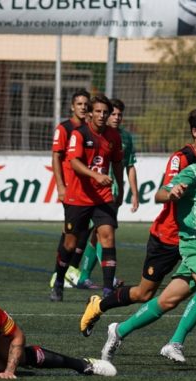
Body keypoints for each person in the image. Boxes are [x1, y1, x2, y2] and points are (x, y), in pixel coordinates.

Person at [99, 112, 196, 364]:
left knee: (168, 300)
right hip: (195, 241)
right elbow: (160, 194)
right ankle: (175, 342)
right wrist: (172, 194)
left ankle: (119, 330)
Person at [50, 94, 123, 302]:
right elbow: (74, 162)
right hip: (78, 197)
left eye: (105, 112)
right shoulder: (78, 134)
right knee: (70, 244)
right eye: (98, 111)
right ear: (90, 113)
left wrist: (121, 187)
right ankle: (58, 281)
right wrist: (96, 175)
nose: (102, 115)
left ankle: (108, 290)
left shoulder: (113, 136)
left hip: (103, 197)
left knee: (107, 236)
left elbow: (117, 162)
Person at [76, 98, 138, 292]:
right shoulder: (94, 134)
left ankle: (84, 276)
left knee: (101, 233)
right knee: (102, 233)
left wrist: (133, 192)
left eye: (119, 114)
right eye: (113, 114)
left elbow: (129, 166)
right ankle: (104, 278)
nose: (116, 117)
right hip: (92, 193)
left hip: (112, 193)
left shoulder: (124, 137)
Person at [49, 89, 98, 292]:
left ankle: (71, 271)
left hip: (90, 191)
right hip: (71, 189)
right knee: (71, 236)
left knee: (86, 230)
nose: (83, 107)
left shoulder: (91, 129)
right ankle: (58, 276)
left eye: (86, 104)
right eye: (79, 104)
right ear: (72, 106)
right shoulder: (65, 128)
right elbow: (56, 158)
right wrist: (60, 185)